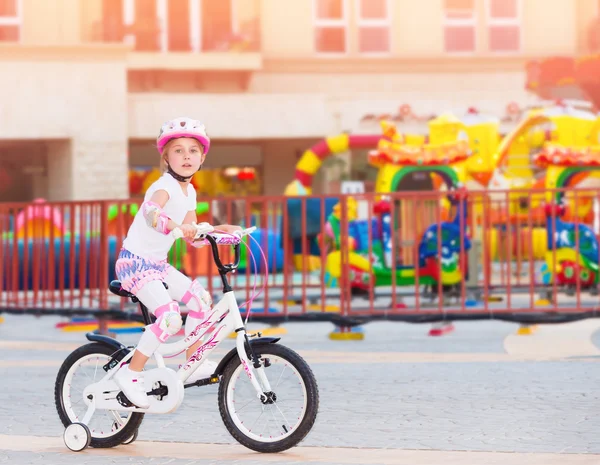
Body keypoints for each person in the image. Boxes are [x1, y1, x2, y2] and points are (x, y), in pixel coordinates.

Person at [114, 117, 240, 408]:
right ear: (166, 157)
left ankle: (193, 359)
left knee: (200, 299)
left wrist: (222, 231)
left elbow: (193, 236)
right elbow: (150, 212)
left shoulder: (190, 192)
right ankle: (131, 374)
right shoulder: (164, 186)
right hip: (135, 264)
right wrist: (172, 225)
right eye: (179, 150)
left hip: (157, 265)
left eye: (193, 150)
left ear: (203, 157)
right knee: (170, 317)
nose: (186, 156)